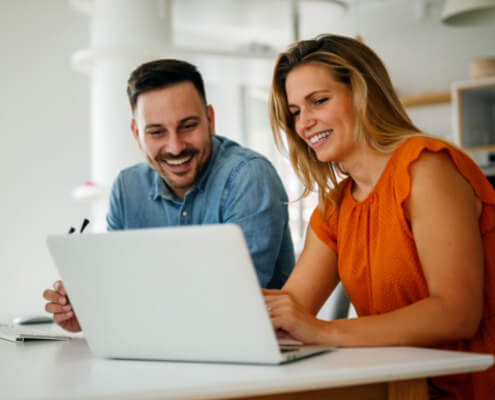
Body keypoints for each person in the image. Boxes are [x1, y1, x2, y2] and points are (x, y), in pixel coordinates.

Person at [265, 34, 495, 399]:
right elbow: (287, 314)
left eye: (319, 101)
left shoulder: (427, 169)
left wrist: (325, 331)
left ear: (363, 93)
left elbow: (457, 312)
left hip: (467, 387)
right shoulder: (335, 208)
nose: (305, 123)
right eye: (295, 112)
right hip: (400, 384)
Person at [44, 59, 295, 332]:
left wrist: (122, 305)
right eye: (157, 132)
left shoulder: (248, 177)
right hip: (161, 351)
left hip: (248, 351)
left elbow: (236, 304)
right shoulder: (127, 188)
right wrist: (90, 311)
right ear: (137, 134)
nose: (175, 147)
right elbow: (120, 287)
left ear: (210, 121)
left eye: (188, 126)